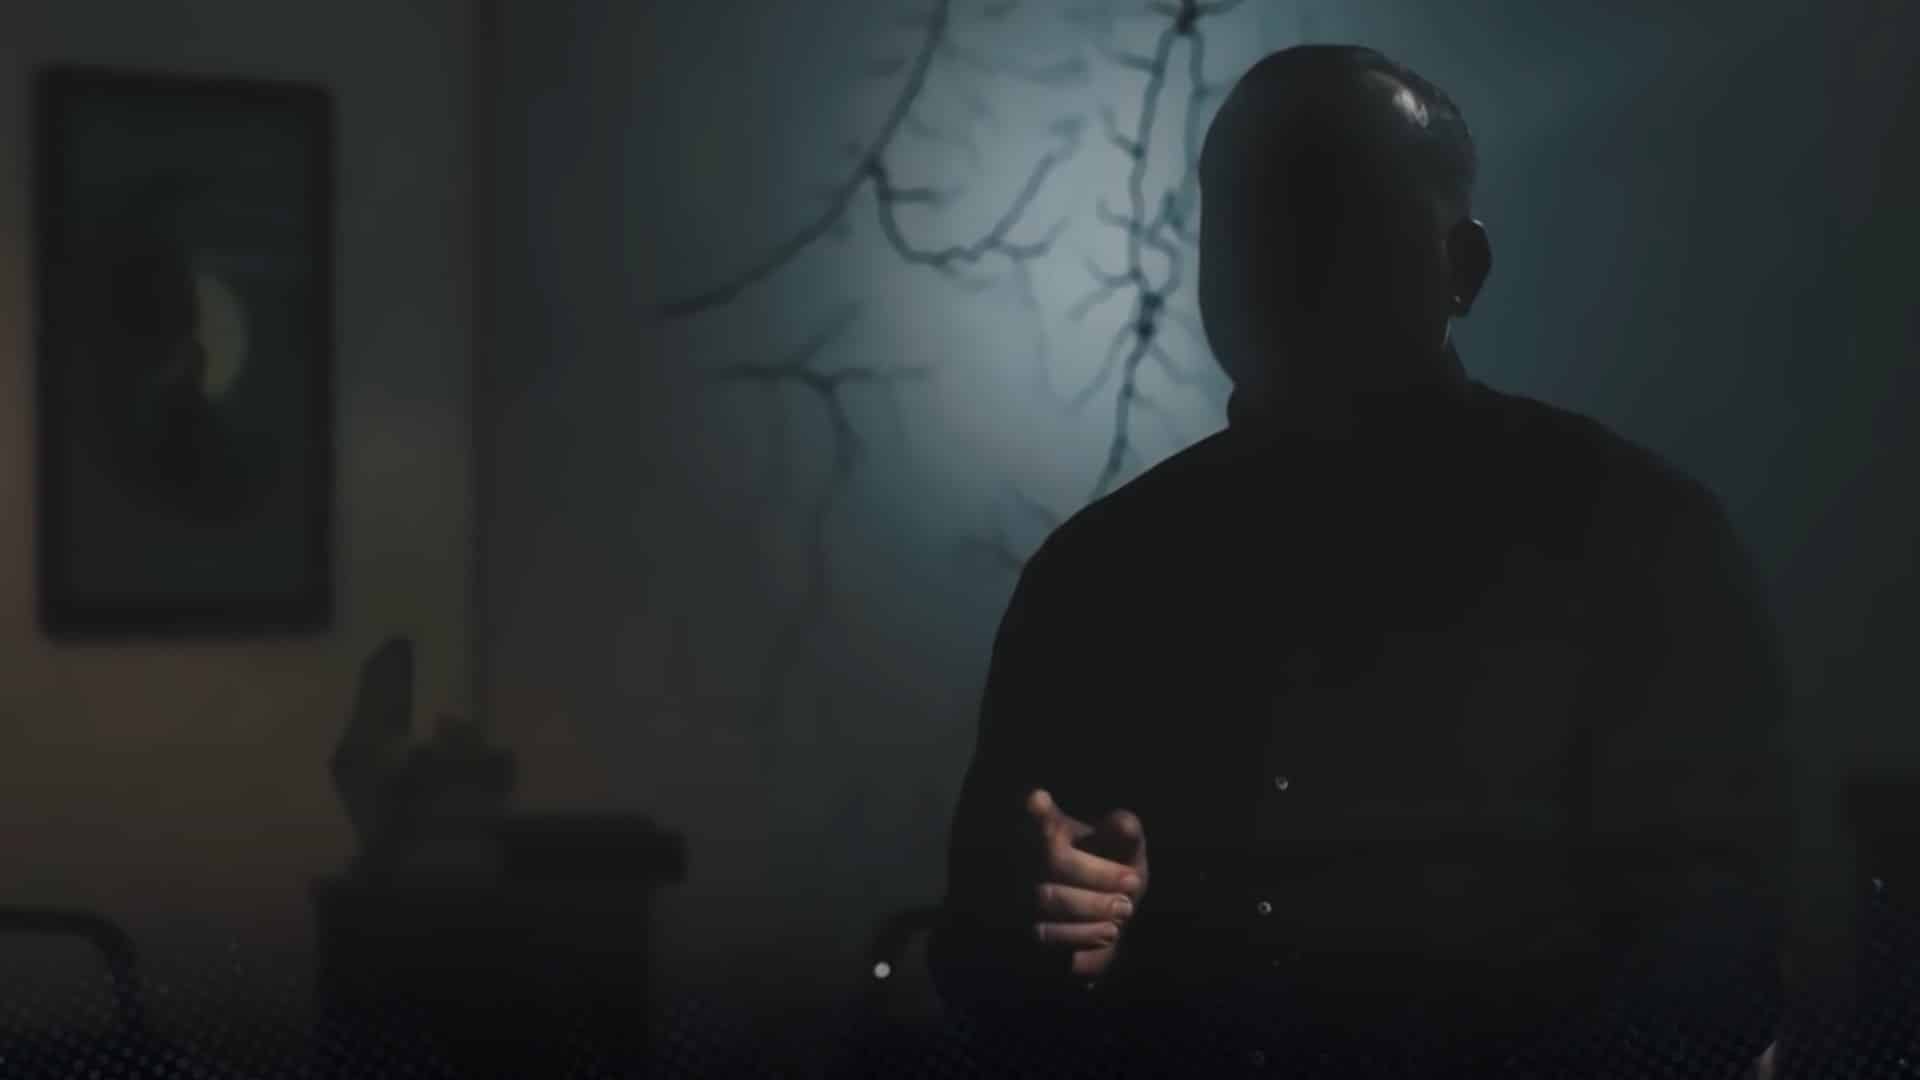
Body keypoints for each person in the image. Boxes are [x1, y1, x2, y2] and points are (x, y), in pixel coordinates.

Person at [928, 44, 1791, 1077]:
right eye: (1244, 213)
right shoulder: (1093, 579)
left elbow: (1726, 966)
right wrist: (1036, 937)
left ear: (1462, 269)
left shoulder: (1632, 542)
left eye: (1333, 207)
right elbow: (979, 968)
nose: (1280, 251)